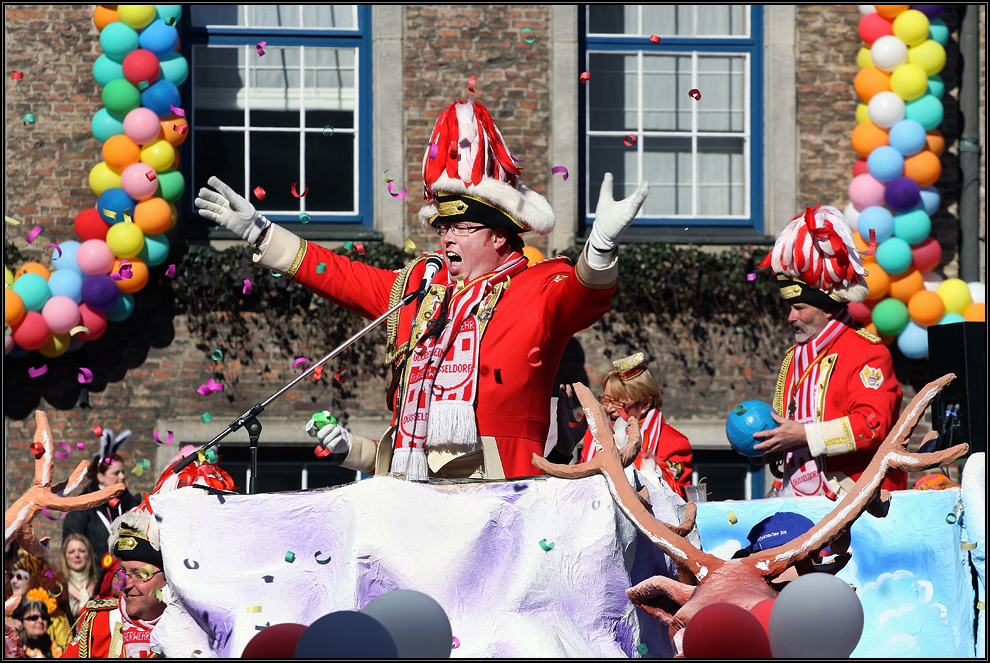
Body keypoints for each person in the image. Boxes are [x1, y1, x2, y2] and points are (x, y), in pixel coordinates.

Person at [196, 98, 649, 481]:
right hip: (413, 490)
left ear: (500, 236)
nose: (447, 237)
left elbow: (584, 296)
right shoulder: (418, 288)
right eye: (442, 226)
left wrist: (601, 245)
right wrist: (261, 232)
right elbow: (340, 275)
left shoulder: (537, 287)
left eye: (462, 227)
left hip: (502, 496)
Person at [751, 205, 904, 497]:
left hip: (853, 496)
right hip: (797, 493)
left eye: (799, 308)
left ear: (830, 309)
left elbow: (872, 425)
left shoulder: (866, 352)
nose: (790, 318)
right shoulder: (794, 357)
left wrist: (804, 435)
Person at [62, 453, 236, 658]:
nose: (124, 585)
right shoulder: (99, 625)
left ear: (170, 579)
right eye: (123, 572)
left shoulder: (202, 633)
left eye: (139, 574)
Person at [558, 353, 693, 498]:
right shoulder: (594, 434)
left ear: (645, 404)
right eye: (606, 400)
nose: (609, 409)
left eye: (619, 403)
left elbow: (676, 499)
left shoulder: (672, 441)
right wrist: (563, 452)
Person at [61, 430, 142, 580]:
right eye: (116, 473)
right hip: (93, 580)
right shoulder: (82, 508)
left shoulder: (132, 505)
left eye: (123, 472)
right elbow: (70, 549)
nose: (122, 477)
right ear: (100, 477)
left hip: (127, 579)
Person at [12, 590, 64, 658]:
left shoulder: (60, 651)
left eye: (44, 617)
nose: (40, 621)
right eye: (33, 618)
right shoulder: (15, 652)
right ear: (20, 621)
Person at [60, 534, 100, 623]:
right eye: (71, 552)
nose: (77, 555)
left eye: (82, 551)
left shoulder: (100, 583)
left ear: (89, 554)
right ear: (65, 556)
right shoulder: (59, 585)